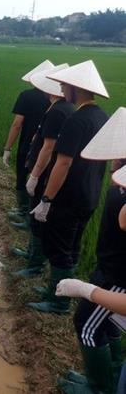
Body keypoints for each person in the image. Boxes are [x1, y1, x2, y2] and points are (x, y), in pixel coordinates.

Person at [52, 112, 126, 394]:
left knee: (86, 325)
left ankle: (99, 387)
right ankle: (111, 377)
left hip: (117, 275)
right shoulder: (120, 177)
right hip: (109, 267)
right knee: (108, 326)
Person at [28, 60, 110, 314]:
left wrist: (47, 199)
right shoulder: (101, 117)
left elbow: (62, 162)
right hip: (90, 193)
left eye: (65, 85)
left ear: (77, 88)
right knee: (72, 245)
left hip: (69, 195)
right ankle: (59, 288)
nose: (62, 89)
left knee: (60, 247)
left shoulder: (77, 120)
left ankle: (59, 302)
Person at [12, 64, 74, 276]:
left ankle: (34, 265)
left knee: (37, 219)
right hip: (45, 170)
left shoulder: (58, 111)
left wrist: (35, 175)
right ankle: (31, 255)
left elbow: (49, 147)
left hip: (45, 172)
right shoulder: (63, 109)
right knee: (34, 215)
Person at [3, 60, 54, 230]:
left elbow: (17, 124)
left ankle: (23, 211)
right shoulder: (57, 101)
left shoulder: (26, 96)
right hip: (50, 150)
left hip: (28, 146)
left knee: (22, 178)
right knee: (39, 183)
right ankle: (31, 215)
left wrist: (7, 148)